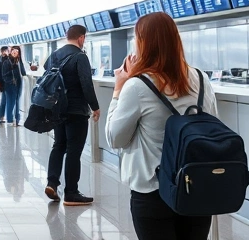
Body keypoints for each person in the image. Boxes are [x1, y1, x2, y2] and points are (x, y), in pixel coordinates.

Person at [105, 12, 218, 239]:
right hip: (195, 185)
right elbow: (212, 125)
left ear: (143, 43)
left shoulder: (137, 86)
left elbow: (115, 138)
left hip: (152, 190)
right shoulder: (201, 78)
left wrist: (118, 89)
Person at [44, 25, 101, 206]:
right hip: (76, 110)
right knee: (74, 151)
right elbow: (86, 84)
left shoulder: (54, 55)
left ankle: (52, 182)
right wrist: (95, 107)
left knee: (58, 145)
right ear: (82, 38)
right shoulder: (80, 56)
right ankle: (71, 193)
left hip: (57, 109)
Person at [0, 46, 27, 126]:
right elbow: (4, 75)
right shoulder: (7, 62)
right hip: (10, 85)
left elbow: (23, 72)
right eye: (13, 51)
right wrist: (11, 80)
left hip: (18, 84)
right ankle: (10, 120)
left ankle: (17, 119)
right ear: (11, 52)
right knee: (10, 103)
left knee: (17, 102)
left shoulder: (19, 61)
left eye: (17, 51)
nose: (15, 53)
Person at [0, 46, 11, 119]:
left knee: (8, 100)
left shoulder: (10, 59)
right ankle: (1, 116)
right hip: (3, 82)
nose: (5, 52)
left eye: (6, 51)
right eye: (4, 51)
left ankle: (6, 116)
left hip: (9, 82)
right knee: (4, 100)